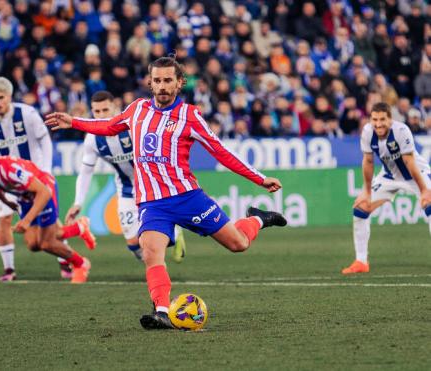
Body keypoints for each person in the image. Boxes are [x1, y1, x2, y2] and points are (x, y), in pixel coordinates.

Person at [46, 57, 287, 330]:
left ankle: (257, 218)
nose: (161, 86)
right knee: (150, 251)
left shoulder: (190, 116)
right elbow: (109, 125)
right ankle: (161, 310)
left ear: (179, 82)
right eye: (157, 80)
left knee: (238, 244)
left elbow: (221, 151)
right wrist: (74, 122)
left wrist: (259, 178)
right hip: (152, 202)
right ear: (150, 82)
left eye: (167, 81)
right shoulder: (137, 109)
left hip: (188, 198)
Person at [0, 76, 95, 281]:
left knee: (46, 235)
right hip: (7, 181)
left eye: (0, 97)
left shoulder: (28, 114)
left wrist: (46, 169)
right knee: (15, 228)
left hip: (34, 180)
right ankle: (9, 269)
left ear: (9, 97)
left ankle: (68, 260)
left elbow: (44, 140)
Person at [65, 91, 186, 262]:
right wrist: (78, 202)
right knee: (133, 243)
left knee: (150, 238)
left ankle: (167, 247)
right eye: (96, 111)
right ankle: (163, 249)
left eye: (105, 110)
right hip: (126, 189)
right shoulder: (92, 139)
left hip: (151, 185)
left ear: (115, 106)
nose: (100, 115)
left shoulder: (133, 126)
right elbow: (85, 172)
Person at [0, 142, 92, 284]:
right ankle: (79, 228)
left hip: (43, 188)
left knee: (46, 243)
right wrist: (6, 202)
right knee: (33, 244)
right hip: (25, 196)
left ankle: (80, 264)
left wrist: (26, 220)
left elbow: (44, 192)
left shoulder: (10, 170)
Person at [342, 102, 431, 275]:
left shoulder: (401, 131)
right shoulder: (367, 132)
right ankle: (361, 261)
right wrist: (366, 192)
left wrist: (424, 191)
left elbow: (409, 162)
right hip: (389, 176)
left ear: (390, 119)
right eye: (375, 119)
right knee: (360, 208)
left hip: (416, 174)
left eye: (382, 119)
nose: (378, 124)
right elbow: (368, 162)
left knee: (430, 206)